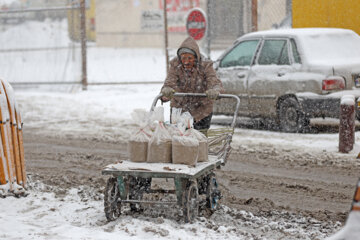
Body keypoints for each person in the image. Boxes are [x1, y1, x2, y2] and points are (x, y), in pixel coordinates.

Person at [161, 37, 224, 131]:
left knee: (199, 140)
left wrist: (215, 91)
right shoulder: (175, 65)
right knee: (179, 139)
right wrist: (166, 92)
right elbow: (169, 82)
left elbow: (214, 81)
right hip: (180, 108)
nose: (186, 62)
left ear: (196, 57)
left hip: (201, 110)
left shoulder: (205, 65)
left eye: (189, 58)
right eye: (183, 58)